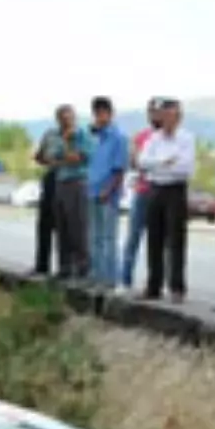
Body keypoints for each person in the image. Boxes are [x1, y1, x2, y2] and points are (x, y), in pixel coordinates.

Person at [137, 98, 195, 303]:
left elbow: (185, 168)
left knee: (176, 239)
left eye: (174, 116)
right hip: (155, 188)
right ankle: (154, 285)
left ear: (179, 118)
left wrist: (158, 165)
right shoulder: (153, 139)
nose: (170, 120)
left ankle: (177, 287)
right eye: (166, 116)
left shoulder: (186, 139)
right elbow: (142, 163)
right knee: (154, 238)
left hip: (175, 190)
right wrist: (164, 162)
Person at [42, 105, 92, 278]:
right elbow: (49, 157)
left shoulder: (83, 135)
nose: (66, 121)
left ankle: (82, 267)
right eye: (62, 119)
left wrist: (63, 154)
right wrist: (62, 154)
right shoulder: (57, 136)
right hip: (60, 182)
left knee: (77, 227)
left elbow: (77, 158)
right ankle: (64, 267)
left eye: (69, 118)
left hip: (77, 182)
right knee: (61, 226)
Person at [121, 97, 165, 291]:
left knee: (159, 241)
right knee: (133, 237)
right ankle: (125, 279)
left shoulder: (171, 137)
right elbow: (136, 162)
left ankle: (157, 282)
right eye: (151, 111)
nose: (154, 115)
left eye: (157, 111)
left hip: (162, 191)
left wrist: (150, 163)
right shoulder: (141, 137)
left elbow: (168, 164)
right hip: (143, 191)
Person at [86, 96, 129, 289]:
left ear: (110, 114)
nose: (99, 117)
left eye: (103, 113)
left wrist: (108, 189)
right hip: (92, 190)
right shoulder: (96, 137)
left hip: (108, 192)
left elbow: (120, 169)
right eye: (96, 114)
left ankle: (111, 278)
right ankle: (96, 274)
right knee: (94, 236)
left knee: (108, 237)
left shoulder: (118, 136)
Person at [32, 119, 59, 276]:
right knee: (44, 224)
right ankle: (42, 265)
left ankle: (65, 267)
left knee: (64, 226)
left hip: (67, 179)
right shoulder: (50, 134)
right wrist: (45, 159)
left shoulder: (78, 135)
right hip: (50, 178)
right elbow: (39, 156)